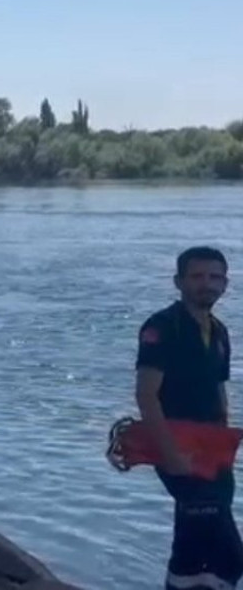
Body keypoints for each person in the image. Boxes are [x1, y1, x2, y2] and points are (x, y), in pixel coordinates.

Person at [136, 246, 242, 590]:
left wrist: (226, 447)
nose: (206, 284)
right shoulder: (162, 327)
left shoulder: (220, 332)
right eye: (197, 277)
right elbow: (146, 394)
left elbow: (218, 391)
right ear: (178, 282)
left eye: (214, 277)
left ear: (225, 284)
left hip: (212, 451)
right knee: (228, 551)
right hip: (176, 447)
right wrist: (169, 455)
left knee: (194, 542)